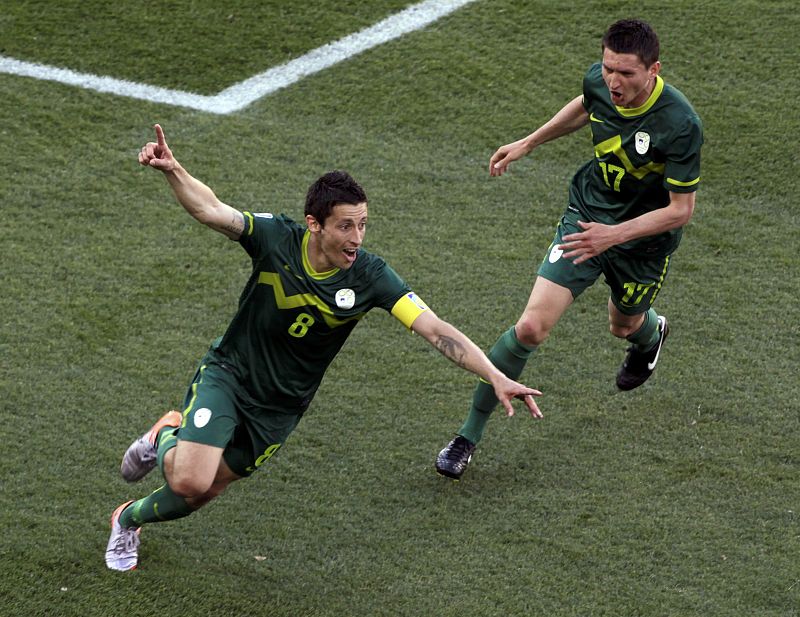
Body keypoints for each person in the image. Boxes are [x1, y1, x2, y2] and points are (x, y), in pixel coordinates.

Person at [105, 124, 543, 571]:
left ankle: (127, 519)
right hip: (231, 376)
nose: (357, 238)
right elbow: (213, 210)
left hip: (280, 408)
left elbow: (435, 329)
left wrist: (493, 374)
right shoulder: (276, 239)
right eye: (346, 226)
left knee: (206, 490)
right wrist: (173, 170)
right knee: (189, 479)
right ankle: (165, 434)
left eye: (363, 224)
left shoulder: (371, 276)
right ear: (314, 224)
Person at [435, 18, 703, 480]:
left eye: (626, 73)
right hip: (587, 215)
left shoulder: (680, 124)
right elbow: (586, 105)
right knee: (530, 327)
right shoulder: (600, 82)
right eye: (608, 68)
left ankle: (650, 334)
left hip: (642, 243)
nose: (613, 82)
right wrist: (529, 142)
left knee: (623, 324)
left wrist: (613, 236)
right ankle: (467, 435)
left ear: (653, 70)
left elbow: (680, 210)